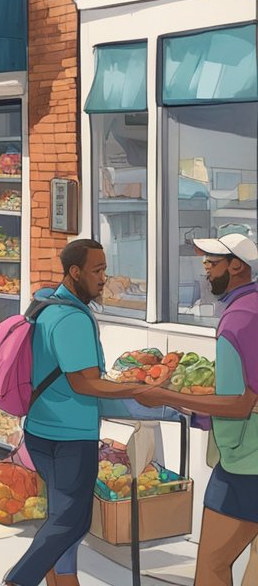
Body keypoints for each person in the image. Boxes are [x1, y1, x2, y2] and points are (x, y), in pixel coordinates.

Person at [4, 239, 153, 586]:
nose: (103, 278)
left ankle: (63, 579)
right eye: (96, 271)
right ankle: (18, 580)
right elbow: (85, 384)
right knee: (73, 522)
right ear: (75, 272)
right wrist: (139, 389)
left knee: (60, 518)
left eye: (105, 269)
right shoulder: (72, 319)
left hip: (41, 430)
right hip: (70, 436)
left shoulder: (45, 304)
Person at [135, 233, 258, 586]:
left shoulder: (236, 321)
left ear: (237, 266)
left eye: (212, 264)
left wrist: (169, 397)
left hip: (244, 465)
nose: (205, 272)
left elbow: (238, 405)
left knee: (212, 566)